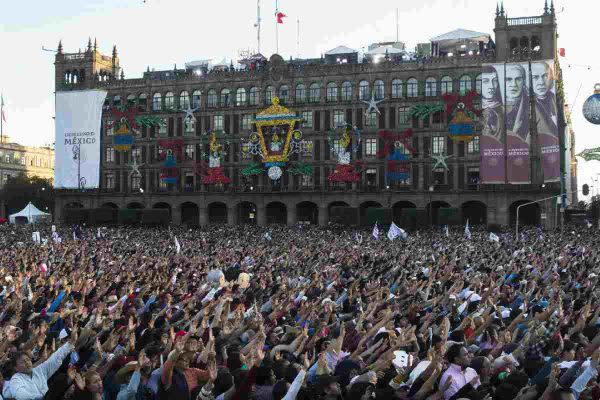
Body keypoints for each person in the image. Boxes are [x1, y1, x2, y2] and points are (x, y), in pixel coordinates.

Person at [504, 63, 530, 141]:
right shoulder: (496, 107)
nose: (513, 84)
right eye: (509, 79)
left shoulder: (532, 105)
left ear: (524, 81)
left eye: (518, 79)